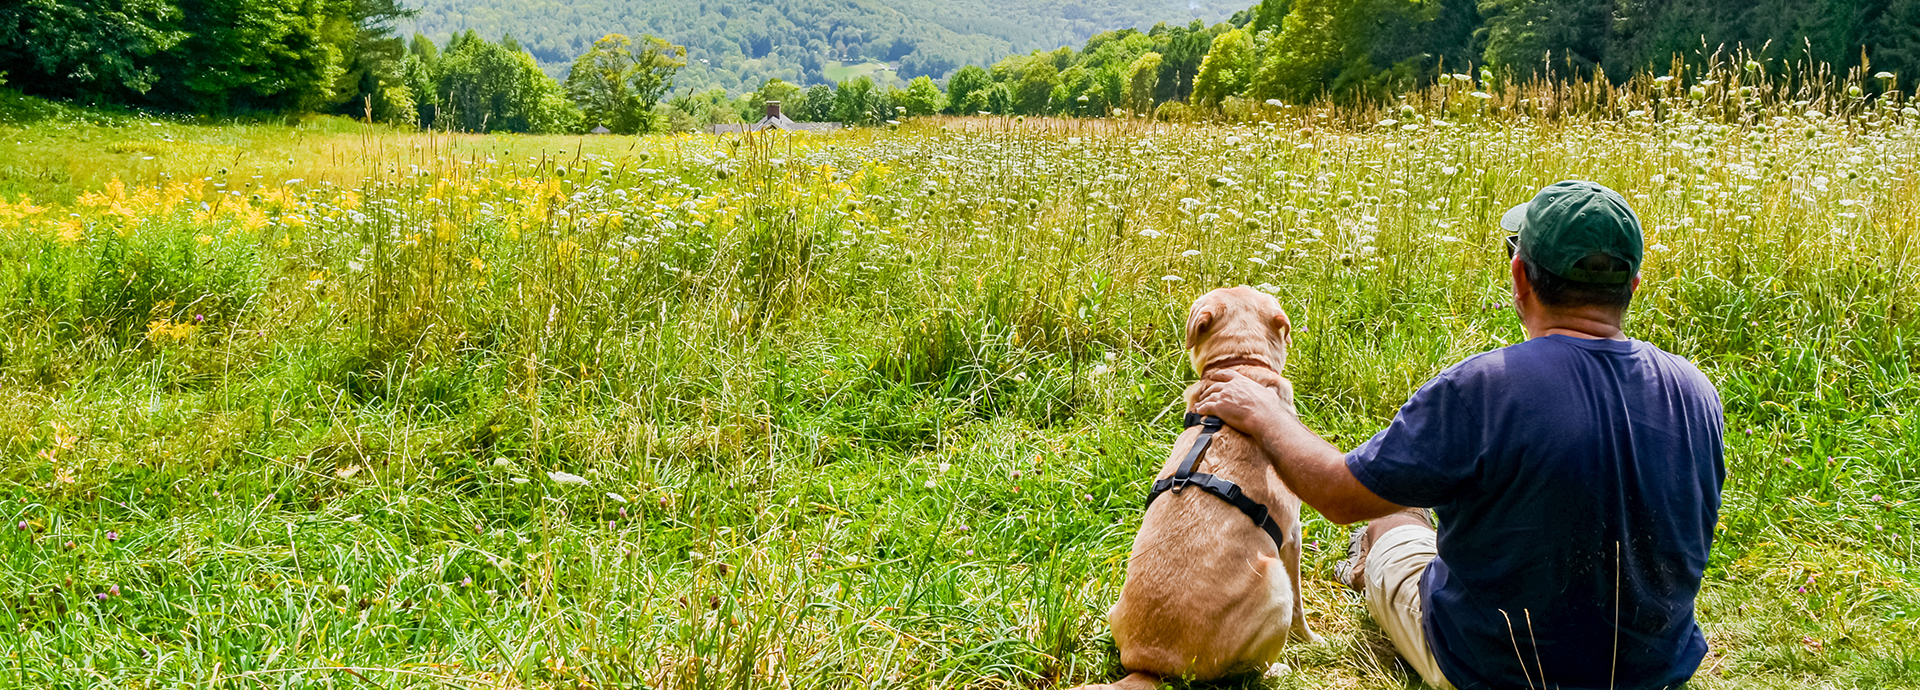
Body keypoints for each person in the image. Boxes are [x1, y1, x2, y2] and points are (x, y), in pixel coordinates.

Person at [1191, 180, 1725, 690]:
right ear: (1632, 284)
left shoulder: (1483, 389)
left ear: (1520, 276)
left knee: (1388, 516)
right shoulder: (1696, 391)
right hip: (1654, 672)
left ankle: (1368, 561)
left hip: (1492, 670)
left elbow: (1336, 493)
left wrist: (1263, 412)